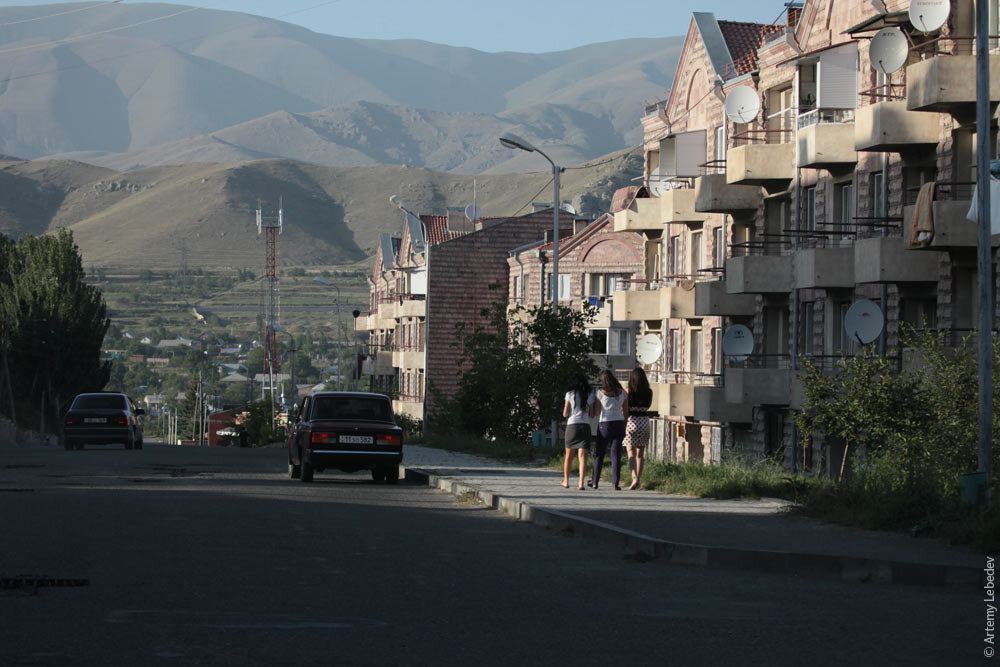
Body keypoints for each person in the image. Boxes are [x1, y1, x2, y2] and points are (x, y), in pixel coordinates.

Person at [589, 369, 628, 490]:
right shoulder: (623, 393)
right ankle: (615, 482)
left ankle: (595, 481)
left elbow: (596, 412)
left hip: (605, 424)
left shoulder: (600, 393)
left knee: (599, 453)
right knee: (616, 454)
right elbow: (626, 412)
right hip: (619, 423)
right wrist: (624, 425)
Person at [561, 375, 594, 490]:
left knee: (569, 456)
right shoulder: (590, 395)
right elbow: (592, 414)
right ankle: (581, 483)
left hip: (572, 426)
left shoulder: (569, 394)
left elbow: (565, 413)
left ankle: (566, 481)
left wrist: (568, 412)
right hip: (585, 426)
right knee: (582, 456)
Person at [622, 367, 653, 490]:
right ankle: (638, 479)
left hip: (631, 421)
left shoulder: (628, 391)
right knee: (640, 454)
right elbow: (648, 405)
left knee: (631, 452)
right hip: (645, 421)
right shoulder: (649, 392)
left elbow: (625, 408)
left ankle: (634, 477)